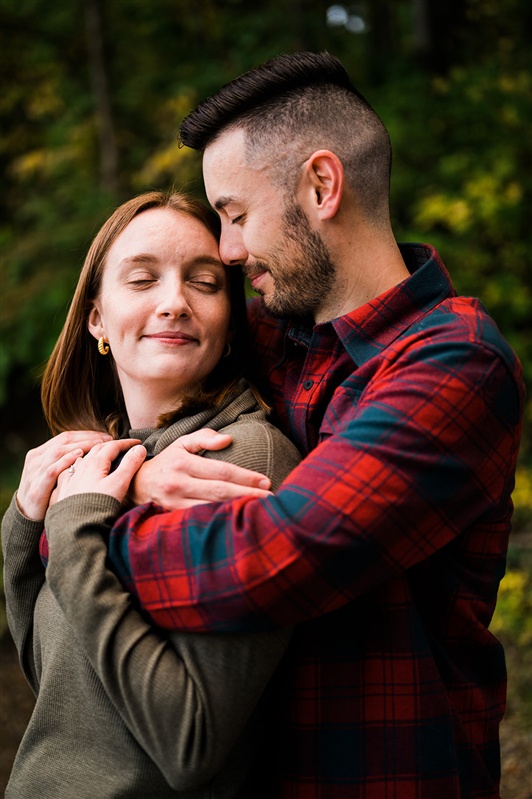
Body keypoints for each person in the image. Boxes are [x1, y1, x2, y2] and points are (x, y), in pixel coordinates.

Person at [104, 53, 525, 798]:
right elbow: (146, 396)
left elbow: (274, 558)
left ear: (322, 186)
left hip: (384, 776)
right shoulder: (272, 334)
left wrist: (87, 522)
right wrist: (131, 470)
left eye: (235, 214)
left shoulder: (456, 366)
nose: (228, 251)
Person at [1, 190, 301, 798]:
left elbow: (190, 745)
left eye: (206, 283)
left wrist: (76, 529)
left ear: (229, 317)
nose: (174, 303)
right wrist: (24, 525)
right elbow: (61, 688)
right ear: (96, 319)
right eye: (142, 280)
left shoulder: (235, 461)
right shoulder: (103, 463)